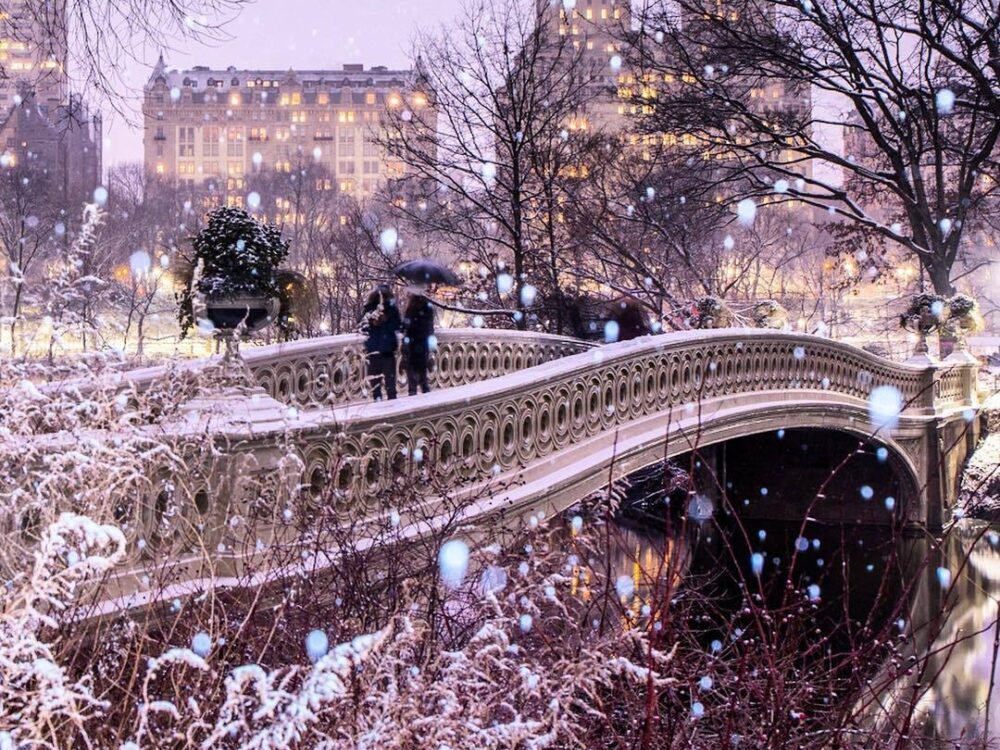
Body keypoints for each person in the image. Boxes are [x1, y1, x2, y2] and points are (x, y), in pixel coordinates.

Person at [360, 284, 402, 401]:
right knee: (385, 385)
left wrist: (385, 320)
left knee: (382, 385)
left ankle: (382, 403)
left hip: (378, 351)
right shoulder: (371, 308)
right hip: (381, 351)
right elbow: (362, 326)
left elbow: (397, 325)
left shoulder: (389, 309)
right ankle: (385, 404)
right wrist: (373, 323)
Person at [402, 290, 435, 396]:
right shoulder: (427, 307)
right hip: (422, 342)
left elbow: (406, 325)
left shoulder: (411, 308)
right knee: (422, 368)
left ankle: (412, 391)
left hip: (412, 341)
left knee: (411, 368)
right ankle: (425, 390)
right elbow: (430, 326)